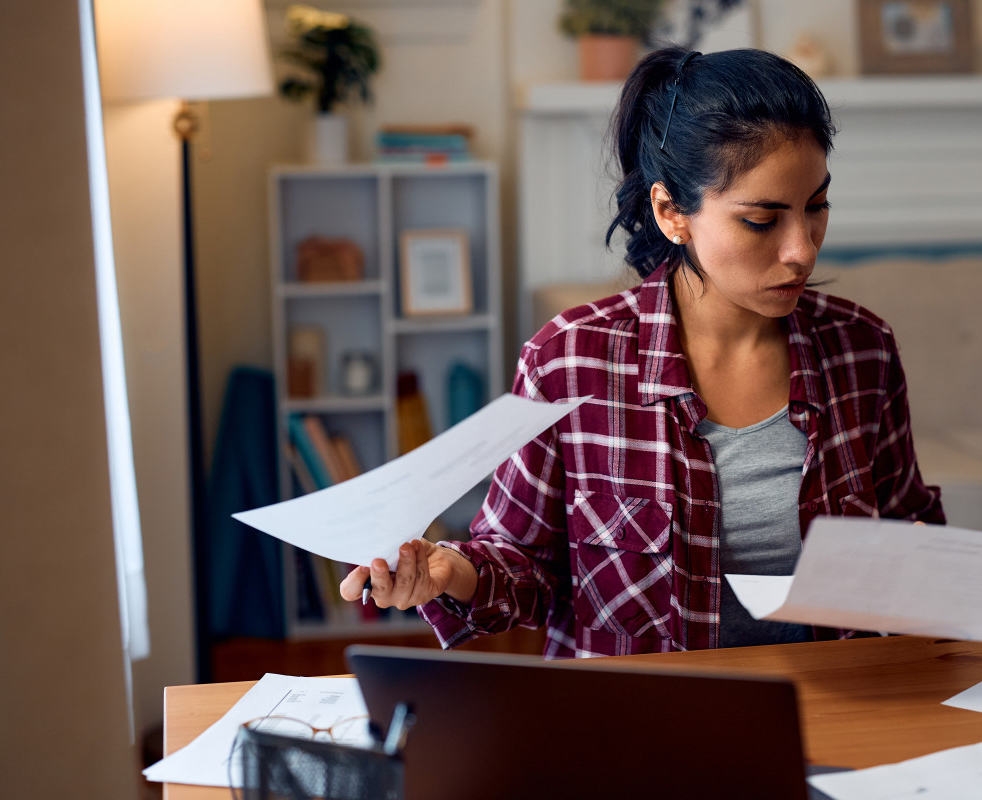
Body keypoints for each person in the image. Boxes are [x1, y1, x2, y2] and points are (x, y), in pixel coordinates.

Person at [341, 46, 945, 658]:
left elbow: (907, 524)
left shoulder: (861, 351)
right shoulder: (569, 362)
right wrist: (449, 573)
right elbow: (521, 562)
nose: (803, 250)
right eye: (763, 220)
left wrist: (923, 567)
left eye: (816, 208)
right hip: (639, 720)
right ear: (670, 212)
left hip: (835, 706)